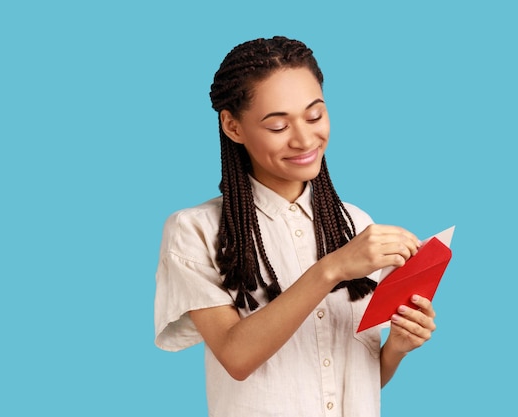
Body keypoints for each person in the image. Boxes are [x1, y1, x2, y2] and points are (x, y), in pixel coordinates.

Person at [154, 36, 437, 416]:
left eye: (315, 115)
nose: (304, 138)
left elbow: (351, 380)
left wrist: (397, 347)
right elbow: (236, 356)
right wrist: (332, 268)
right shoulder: (195, 231)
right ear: (233, 127)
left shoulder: (355, 224)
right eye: (277, 126)